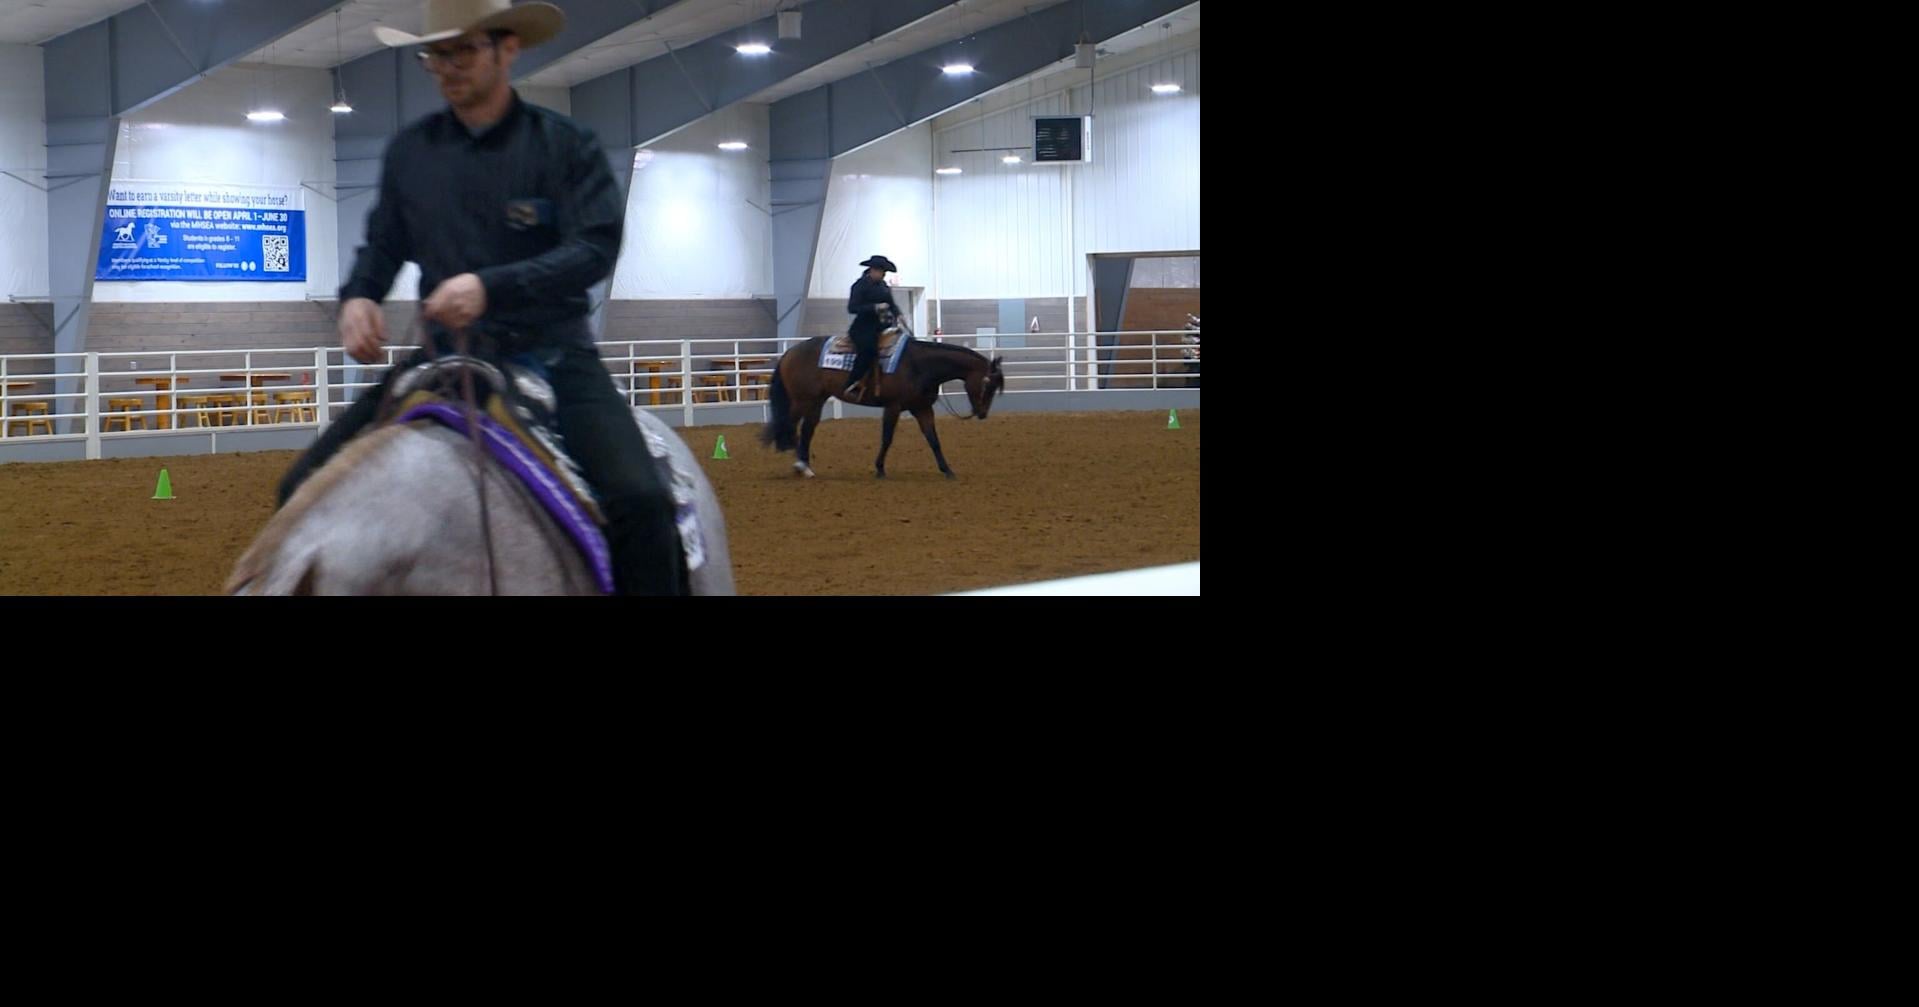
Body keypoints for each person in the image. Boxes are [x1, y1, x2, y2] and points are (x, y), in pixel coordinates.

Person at [277, 0, 686, 595]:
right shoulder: (411, 153)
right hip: (442, 357)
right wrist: (359, 297)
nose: (448, 66)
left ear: (508, 48)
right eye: (435, 54)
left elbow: (593, 250)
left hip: (554, 356)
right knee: (298, 490)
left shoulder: (565, 147)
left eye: (463, 50)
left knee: (641, 500)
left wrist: (490, 286)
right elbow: (383, 244)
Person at [843, 255, 901, 400]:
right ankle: (853, 383)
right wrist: (875, 307)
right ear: (872, 270)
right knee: (868, 351)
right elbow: (852, 308)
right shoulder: (859, 286)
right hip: (862, 328)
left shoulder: (883, 287)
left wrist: (898, 315)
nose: (883, 275)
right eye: (881, 272)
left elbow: (891, 304)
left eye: (884, 273)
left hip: (881, 326)